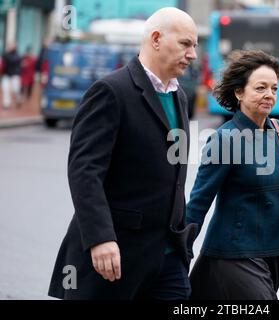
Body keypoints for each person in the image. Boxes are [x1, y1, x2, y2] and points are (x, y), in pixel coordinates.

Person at [48, 7, 198, 300]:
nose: (192, 54)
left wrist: (182, 242)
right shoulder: (110, 91)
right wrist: (100, 238)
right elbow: (84, 171)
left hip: (168, 258)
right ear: (156, 39)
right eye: (185, 44)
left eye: (194, 45)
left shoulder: (179, 96)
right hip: (114, 256)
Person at [186, 50, 279, 300]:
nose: (269, 95)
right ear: (239, 92)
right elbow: (199, 201)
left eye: (274, 88)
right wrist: (177, 250)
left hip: (274, 251)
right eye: (260, 87)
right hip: (235, 253)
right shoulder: (224, 139)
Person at [1, 43, 22, 108]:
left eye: (12, 46)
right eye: (9, 46)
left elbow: (13, 60)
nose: (10, 47)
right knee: (5, 89)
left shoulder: (17, 55)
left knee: (16, 90)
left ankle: (18, 99)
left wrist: (5, 56)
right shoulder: (5, 54)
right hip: (6, 75)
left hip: (15, 75)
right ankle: (6, 104)